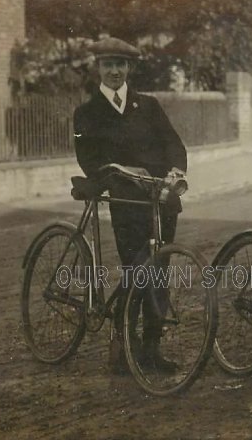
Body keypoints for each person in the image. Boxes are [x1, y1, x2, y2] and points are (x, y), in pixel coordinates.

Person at [73, 36, 187, 374]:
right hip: (125, 200)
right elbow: (89, 160)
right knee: (138, 270)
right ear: (98, 68)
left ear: (130, 68)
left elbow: (173, 143)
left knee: (159, 272)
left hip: (162, 199)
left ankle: (151, 350)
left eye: (120, 64)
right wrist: (119, 174)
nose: (114, 71)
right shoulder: (87, 113)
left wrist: (177, 170)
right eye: (108, 64)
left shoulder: (148, 105)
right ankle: (121, 345)